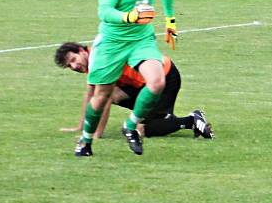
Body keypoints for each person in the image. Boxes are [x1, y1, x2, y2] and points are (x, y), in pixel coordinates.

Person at [73, 0, 178, 157]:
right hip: (112, 40)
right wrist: (129, 17)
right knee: (101, 95)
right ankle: (85, 141)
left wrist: (170, 21)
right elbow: (105, 11)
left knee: (157, 81)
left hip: (141, 38)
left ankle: (130, 126)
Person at [55, 42, 213, 140]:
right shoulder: (92, 60)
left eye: (74, 60)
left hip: (165, 77)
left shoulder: (100, 60)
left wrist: (95, 135)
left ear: (82, 51)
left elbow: (104, 98)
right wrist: (81, 126)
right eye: (69, 66)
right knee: (111, 95)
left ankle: (191, 120)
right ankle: (168, 118)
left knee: (140, 129)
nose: (74, 66)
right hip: (143, 85)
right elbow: (90, 95)